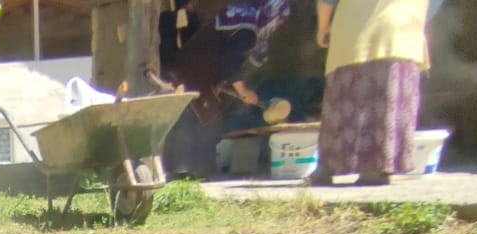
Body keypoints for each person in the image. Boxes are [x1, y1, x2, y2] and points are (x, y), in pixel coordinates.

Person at [158, 0, 291, 179]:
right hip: (194, 77)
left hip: (188, 72)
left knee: (193, 121)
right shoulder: (247, 30)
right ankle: (195, 175)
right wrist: (243, 91)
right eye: (280, 19)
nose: (279, 24)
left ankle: (184, 174)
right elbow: (229, 64)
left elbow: (222, 59)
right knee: (203, 122)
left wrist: (240, 91)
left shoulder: (241, 15)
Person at [311, 0, 433, 186]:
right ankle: (378, 167)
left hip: (355, 32)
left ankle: (329, 167)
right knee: (388, 100)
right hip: (402, 31)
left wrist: (323, 28)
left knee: (345, 99)